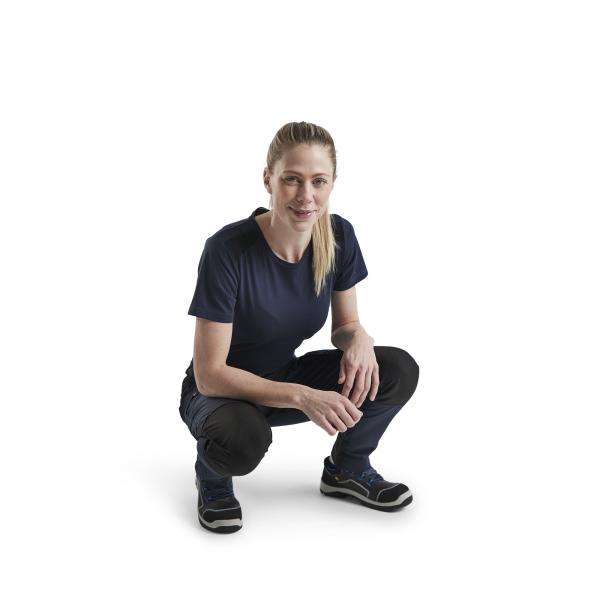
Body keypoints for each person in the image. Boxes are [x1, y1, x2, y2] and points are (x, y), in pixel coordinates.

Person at [179, 121, 420, 534]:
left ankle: (347, 468)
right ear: (268, 180)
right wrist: (302, 396)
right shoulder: (228, 250)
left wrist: (360, 339)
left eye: (318, 181)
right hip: (220, 395)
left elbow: (345, 326)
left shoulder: (338, 235)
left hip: (284, 375)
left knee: (395, 369)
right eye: (291, 179)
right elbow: (210, 374)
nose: (306, 195)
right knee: (242, 439)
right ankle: (212, 476)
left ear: (332, 184)